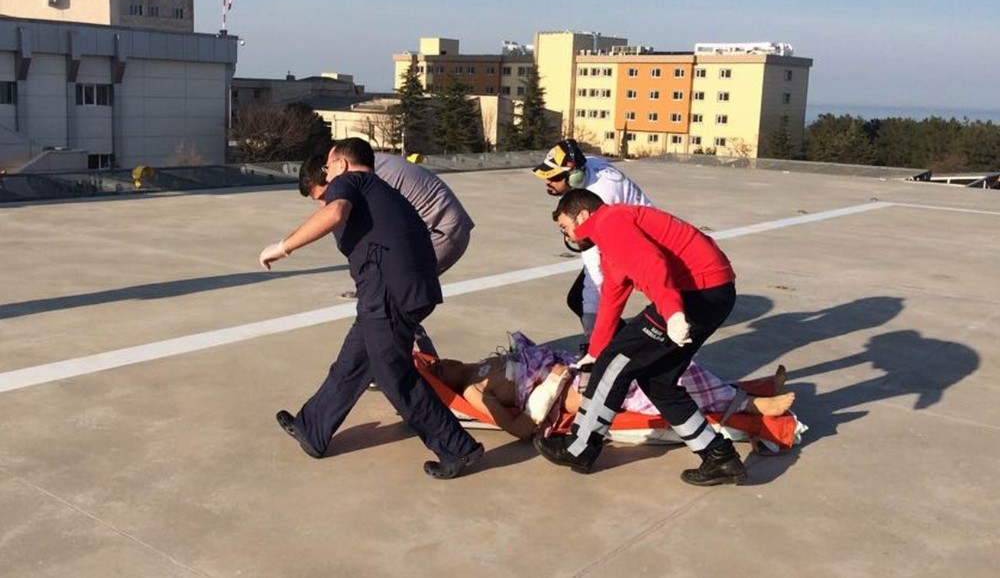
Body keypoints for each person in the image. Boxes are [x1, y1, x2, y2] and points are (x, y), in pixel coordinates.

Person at [259, 139, 484, 479]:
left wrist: (282, 247)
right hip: (396, 292)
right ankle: (312, 427)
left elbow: (335, 212)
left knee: (395, 377)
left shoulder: (350, 181)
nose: (327, 175)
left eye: (329, 168)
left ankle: (457, 448)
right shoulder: (378, 187)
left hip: (389, 295)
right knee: (352, 362)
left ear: (342, 164)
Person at [532, 188, 746, 486]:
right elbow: (613, 295)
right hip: (713, 291)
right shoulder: (613, 230)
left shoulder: (608, 222)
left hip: (696, 293)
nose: (566, 235)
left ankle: (579, 447)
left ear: (582, 216)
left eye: (565, 226)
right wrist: (595, 350)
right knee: (657, 381)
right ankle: (719, 457)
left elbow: (651, 263)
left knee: (615, 362)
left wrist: (672, 312)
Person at [425, 332, 794, 442]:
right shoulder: (473, 391)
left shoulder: (479, 366)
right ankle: (752, 406)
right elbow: (521, 429)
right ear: (445, 386)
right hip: (572, 386)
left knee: (667, 361)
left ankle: (747, 393)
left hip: (574, 365)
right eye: (436, 371)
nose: (439, 363)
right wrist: (552, 382)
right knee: (661, 379)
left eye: (436, 361)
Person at [299, 140, 475, 361]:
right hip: (446, 226)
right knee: (395, 304)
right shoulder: (365, 165)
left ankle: (417, 365)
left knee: (394, 302)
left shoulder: (360, 179)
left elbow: (346, 224)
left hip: (441, 230)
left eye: (324, 196)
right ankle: (405, 361)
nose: (324, 204)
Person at [532, 138, 651, 342]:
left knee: (588, 301)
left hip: (639, 246)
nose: (547, 181)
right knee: (581, 299)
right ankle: (616, 345)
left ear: (574, 177)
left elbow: (593, 261)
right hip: (626, 237)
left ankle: (622, 347)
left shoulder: (599, 199)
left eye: (554, 177)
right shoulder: (587, 167)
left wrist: (590, 313)